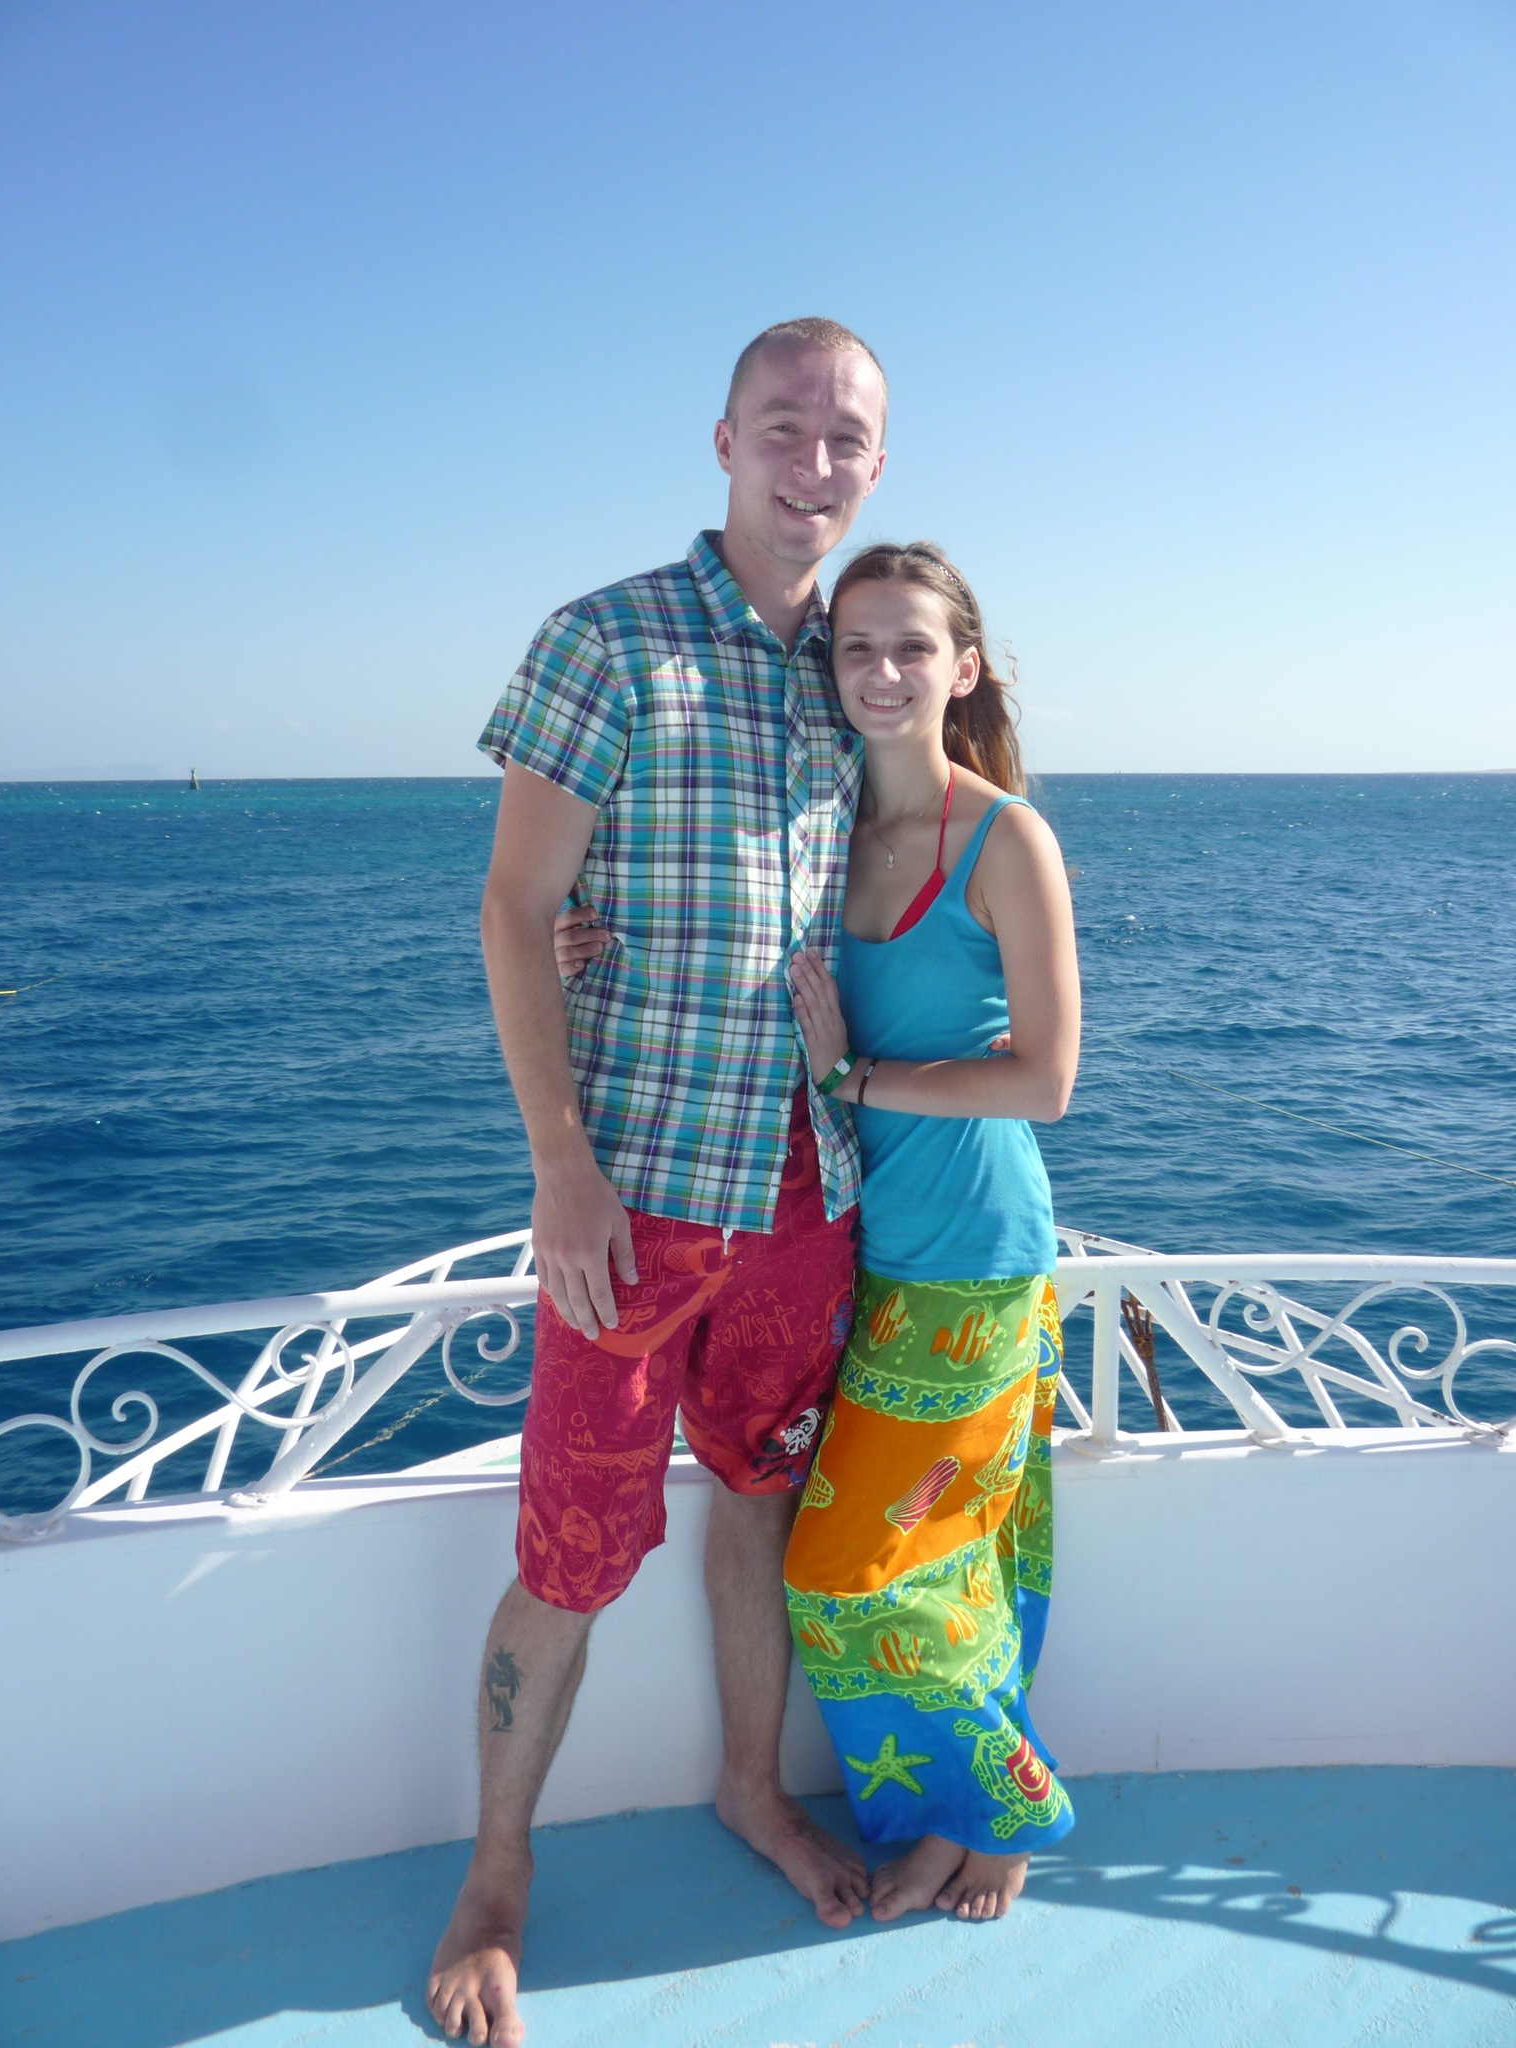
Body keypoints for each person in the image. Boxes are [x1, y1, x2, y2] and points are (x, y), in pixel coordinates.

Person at [426, 318, 888, 2048]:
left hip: (805, 1191)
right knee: (570, 1555)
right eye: (784, 427)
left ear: (875, 468)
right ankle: (495, 1877)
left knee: (758, 1504)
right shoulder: (607, 638)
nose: (812, 464)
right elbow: (515, 908)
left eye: (844, 439)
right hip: (636, 1203)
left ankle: (751, 1792)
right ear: (723, 440)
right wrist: (560, 1168)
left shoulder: (863, 665)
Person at [782, 540, 1081, 1924]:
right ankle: (962, 1822)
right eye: (856, 647)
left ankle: (1003, 1809)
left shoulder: (1005, 839)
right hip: (864, 1254)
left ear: (964, 669)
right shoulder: (821, 829)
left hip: (975, 1255)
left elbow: (1047, 1080)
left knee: (844, 1569)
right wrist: (578, 943)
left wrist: (859, 1079)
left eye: (913, 646)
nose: (883, 671)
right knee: (947, 1555)